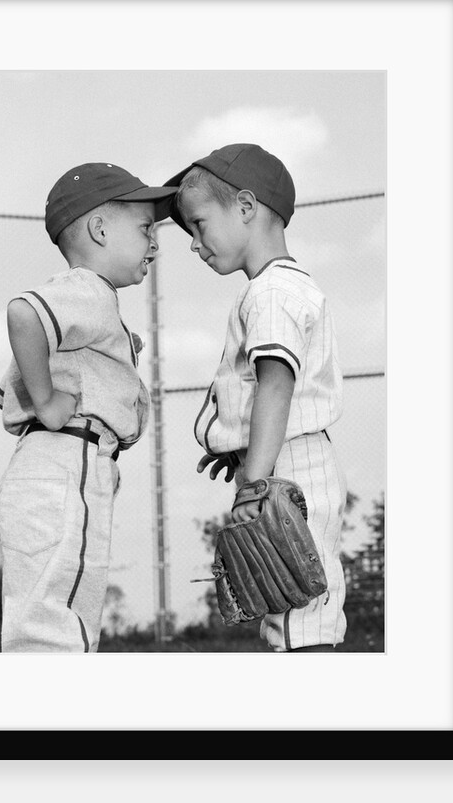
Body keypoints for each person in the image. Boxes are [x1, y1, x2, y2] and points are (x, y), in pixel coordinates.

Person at [164, 143, 347, 652]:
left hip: (287, 467)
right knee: (294, 610)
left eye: (198, 224)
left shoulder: (268, 293)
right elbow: (267, 387)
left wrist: (257, 479)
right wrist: (245, 446)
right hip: (289, 458)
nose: (194, 243)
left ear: (245, 207)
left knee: (297, 615)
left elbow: (275, 384)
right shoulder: (286, 286)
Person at [0, 162, 176, 652]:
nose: (155, 244)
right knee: (55, 630)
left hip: (56, 463)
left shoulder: (89, 302)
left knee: (51, 618)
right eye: (145, 229)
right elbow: (24, 312)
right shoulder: (89, 290)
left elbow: (10, 383)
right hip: (64, 456)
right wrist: (50, 403)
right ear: (99, 229)